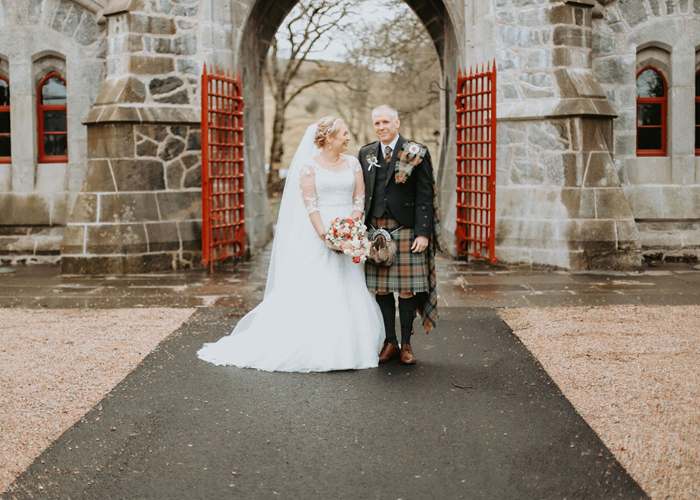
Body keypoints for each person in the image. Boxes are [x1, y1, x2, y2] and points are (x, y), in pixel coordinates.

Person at [197, 117, 385, 372]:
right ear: (329, 137)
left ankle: (353, 347)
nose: (348, 137)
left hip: (348, 234)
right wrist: (327, 236)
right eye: (344, 133)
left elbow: (358, 199)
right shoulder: (309, 167)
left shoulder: (353, 164)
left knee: (349, 286)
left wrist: (350, 229)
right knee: (316, 287)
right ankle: (314, 345)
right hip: (319, 235)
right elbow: (311, 205)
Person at [358, 105, 441, 365]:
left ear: (397, 122)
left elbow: (425, 195)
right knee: (382, 290)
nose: (381, 127)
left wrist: (423, 233)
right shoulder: (366, 152)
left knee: (406, 290)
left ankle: (406, 344)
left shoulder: (416, 151)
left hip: (406, 229)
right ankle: (390, 342)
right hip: (376, 231)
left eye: (385, 122)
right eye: (377, 123)